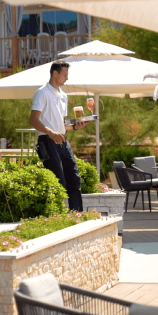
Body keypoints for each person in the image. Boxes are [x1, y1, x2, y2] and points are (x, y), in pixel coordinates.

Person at [29, 60, 91, 212]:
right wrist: (51, 133)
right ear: (55, 74)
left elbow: (62, 125)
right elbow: (32, 120)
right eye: (65, 75)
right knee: (58, 182)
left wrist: (76, 126)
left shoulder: (63, 96)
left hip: (62, 141)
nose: (67, 79)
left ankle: (77, 216)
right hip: (47, 141)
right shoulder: (42, 93)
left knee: (74, 179)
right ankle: (55, 216)